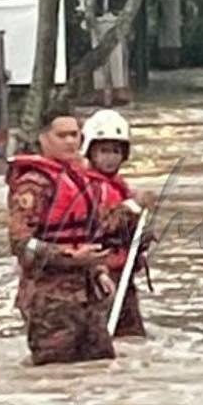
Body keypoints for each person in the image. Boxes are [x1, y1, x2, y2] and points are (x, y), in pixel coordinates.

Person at [6, 107, 116, 365]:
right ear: (44, 139)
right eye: (62, 135)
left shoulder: (83, 180)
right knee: (53, 372)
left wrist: (99, 269)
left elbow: (91, 232)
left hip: (89, 295)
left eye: (75, 135)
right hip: (50, 300)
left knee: (100, 367)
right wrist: (69, 255)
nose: (70, 141)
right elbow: (21, 244)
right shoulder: (32, 185)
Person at [80, 109, 153, 338]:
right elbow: (99, 228)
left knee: (133, 337)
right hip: (101, 276)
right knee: (104, 338)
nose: (110, 157)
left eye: (115, 151)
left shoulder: (118, 186)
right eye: (103, 151)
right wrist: (132, 207)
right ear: (90, 152)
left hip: (123, 273)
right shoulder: (87, 187)